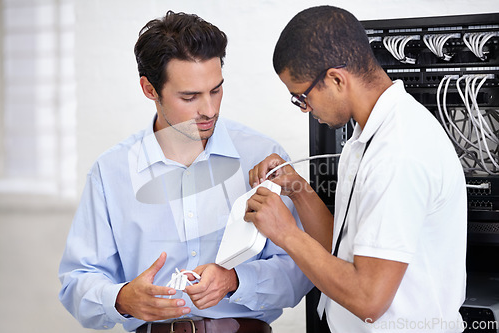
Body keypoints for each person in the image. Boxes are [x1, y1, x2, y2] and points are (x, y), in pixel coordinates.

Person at [58, 11, 311, 333]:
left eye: (216, 90)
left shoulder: (262, 156)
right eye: (190, 97)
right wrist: (121, 298)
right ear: (150, 89)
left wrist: (236, 280)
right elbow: (76, 281)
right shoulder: (111, 172)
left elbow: (301, 269)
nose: (209, 109)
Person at [245, 5, 467, 333]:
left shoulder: (398, 152)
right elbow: (344, 251)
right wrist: (297, 189)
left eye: (302, 97)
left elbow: (368, 300)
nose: (305, 109)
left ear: (336, 79)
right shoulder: (366, 137)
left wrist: (286, 232)